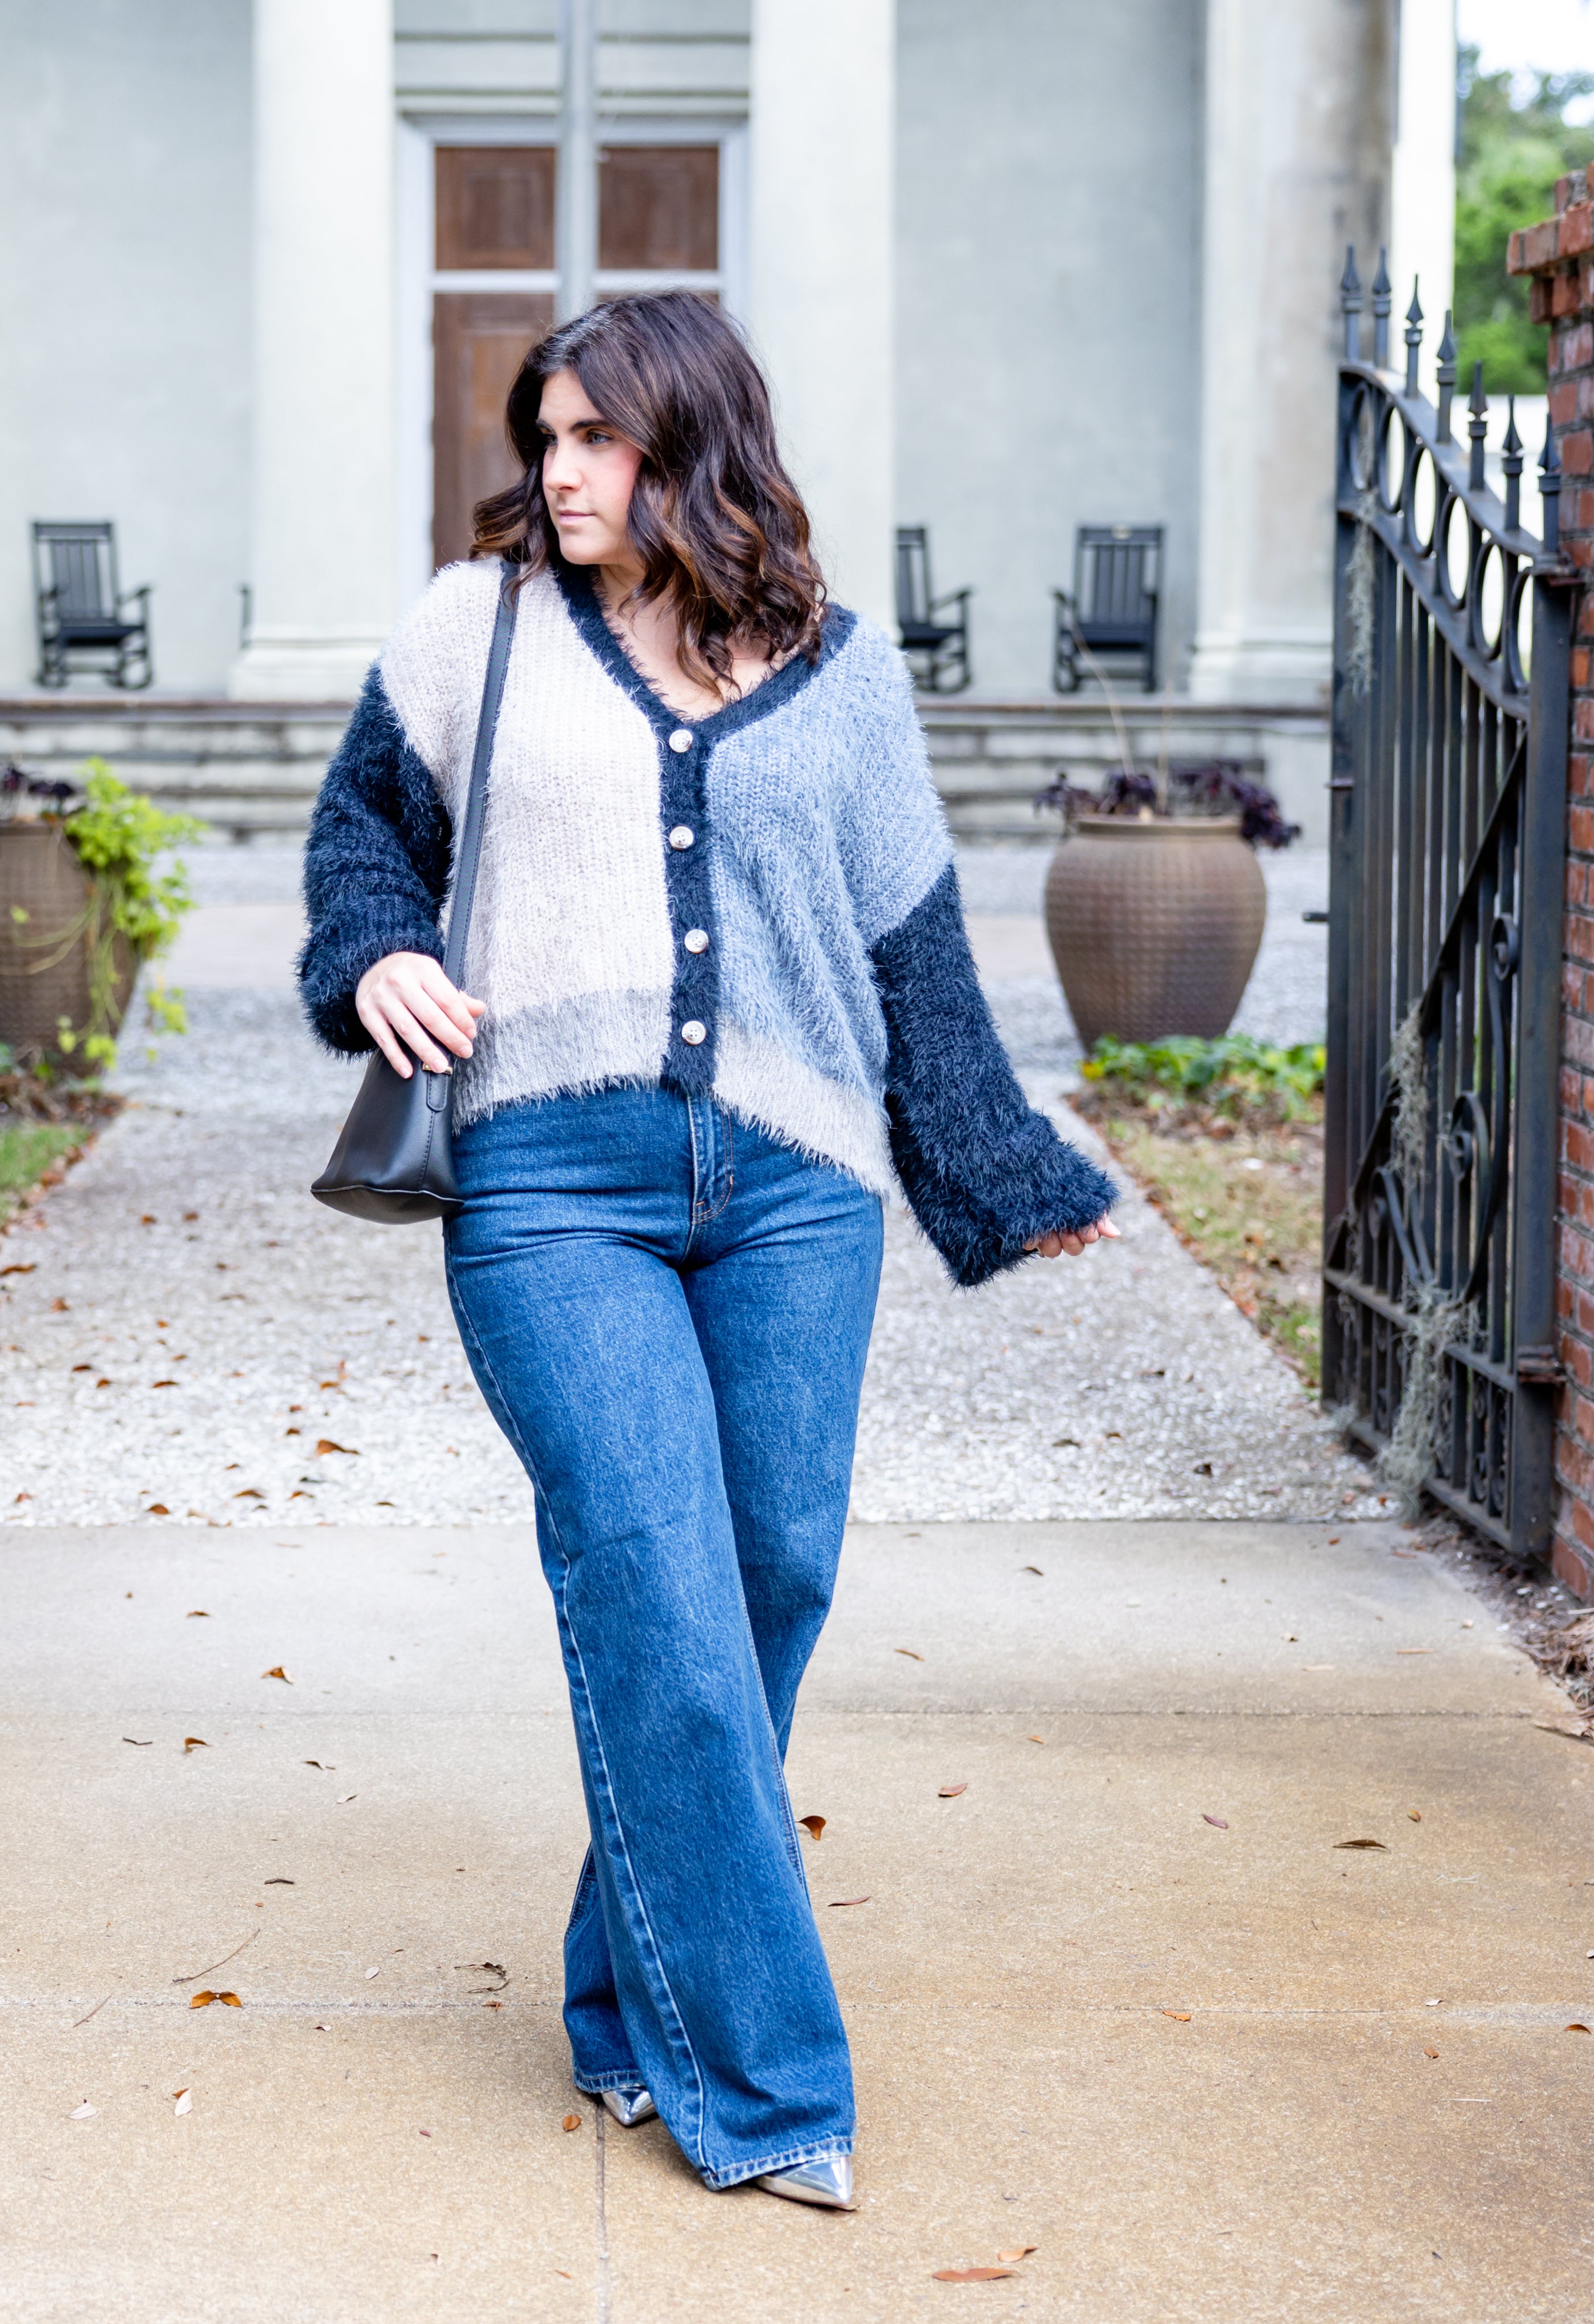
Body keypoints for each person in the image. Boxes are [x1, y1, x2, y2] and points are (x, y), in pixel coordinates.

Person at [299, 294, 1116, 2212]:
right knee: (656, 1575)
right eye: (548, 435)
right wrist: (378, 955)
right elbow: (360, 841)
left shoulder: (841, 672)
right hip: (547, 1187)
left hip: (798, 1185)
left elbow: (910, 939)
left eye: (600, 439)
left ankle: (618, 1998)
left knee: (766, 1579)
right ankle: (769, 2089)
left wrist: (999, 1164)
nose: (560, 471)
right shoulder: (469, 628)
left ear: (697, 443)